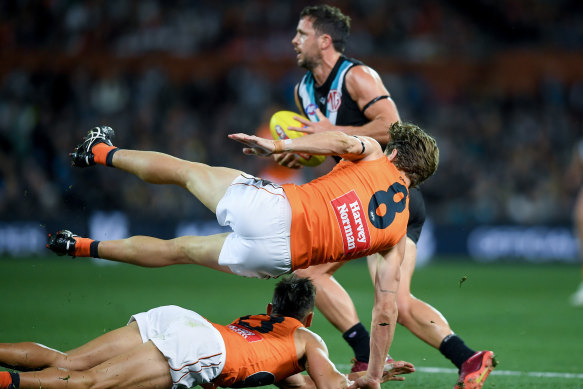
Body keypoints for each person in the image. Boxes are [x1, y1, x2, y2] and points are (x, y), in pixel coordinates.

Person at [46, 122, 438, 388]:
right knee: (177, 251)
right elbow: (385, 311)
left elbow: (341, 143)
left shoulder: (372, 153)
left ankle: (97, 151)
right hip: (275, 258)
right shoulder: (398, 236)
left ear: (397, 151)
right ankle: (77, 245)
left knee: (187, 171)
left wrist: (278, 146)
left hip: (276, 210)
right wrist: (371, 374)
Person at [277, 5, 496, 389]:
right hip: (357, 196)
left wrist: (332, 128)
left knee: (359, 289)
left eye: (301, 33)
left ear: (324, 40)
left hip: (391, 196)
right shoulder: (302, 91)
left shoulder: (357, 76)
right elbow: (332, 147)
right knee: (363, 290)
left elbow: (392, 127)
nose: (294, 40)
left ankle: (368, 354)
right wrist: (304, 151)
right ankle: (468, 359)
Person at [0, 277, 415, 389]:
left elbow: (298, 383)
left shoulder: (265, 326)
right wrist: (366, 379)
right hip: (201, 346)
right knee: (90, 383)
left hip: (183, 320)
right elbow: (329, 387)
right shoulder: (307, 340)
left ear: (272, 309)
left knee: (69, 360)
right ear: (308, 319)